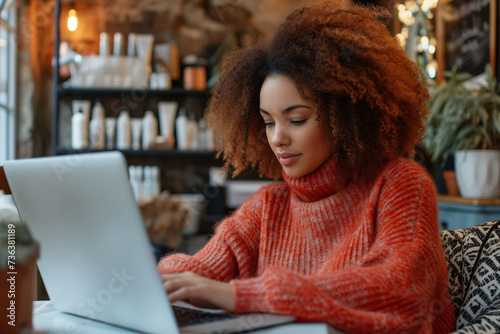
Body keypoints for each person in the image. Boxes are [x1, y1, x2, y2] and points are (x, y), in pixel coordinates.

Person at [158, 2, 456, 333]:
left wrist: (244, 295)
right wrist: (162, 279)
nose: (278, 138)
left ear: (345, 114)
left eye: (296, 119)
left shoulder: (400, 184)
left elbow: (400, 289)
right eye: (268, 123)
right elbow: (198, 270)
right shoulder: (268, 207)